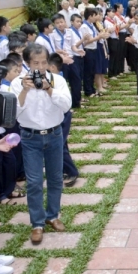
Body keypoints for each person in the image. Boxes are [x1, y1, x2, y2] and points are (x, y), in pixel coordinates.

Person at [10, 43, 72, 244]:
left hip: (54, 135)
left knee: (55, 178)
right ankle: (37, 223)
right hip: (30, 137)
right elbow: (13, 113)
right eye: (35, 63)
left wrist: (49, 89)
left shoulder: (58, 80)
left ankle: (53, 215)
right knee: (34, 181)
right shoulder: (18, 82)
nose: (40, 67)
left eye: (44, 62)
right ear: (27, 63)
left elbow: (66, 106)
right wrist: (24, 91)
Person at [47, 54, 79, 188]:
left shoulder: (57, 80)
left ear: (52, 67)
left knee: (59, 143)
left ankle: (71, 171)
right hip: (55, 115)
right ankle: (65, 169)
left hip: (62, 114)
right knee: (62, 143)